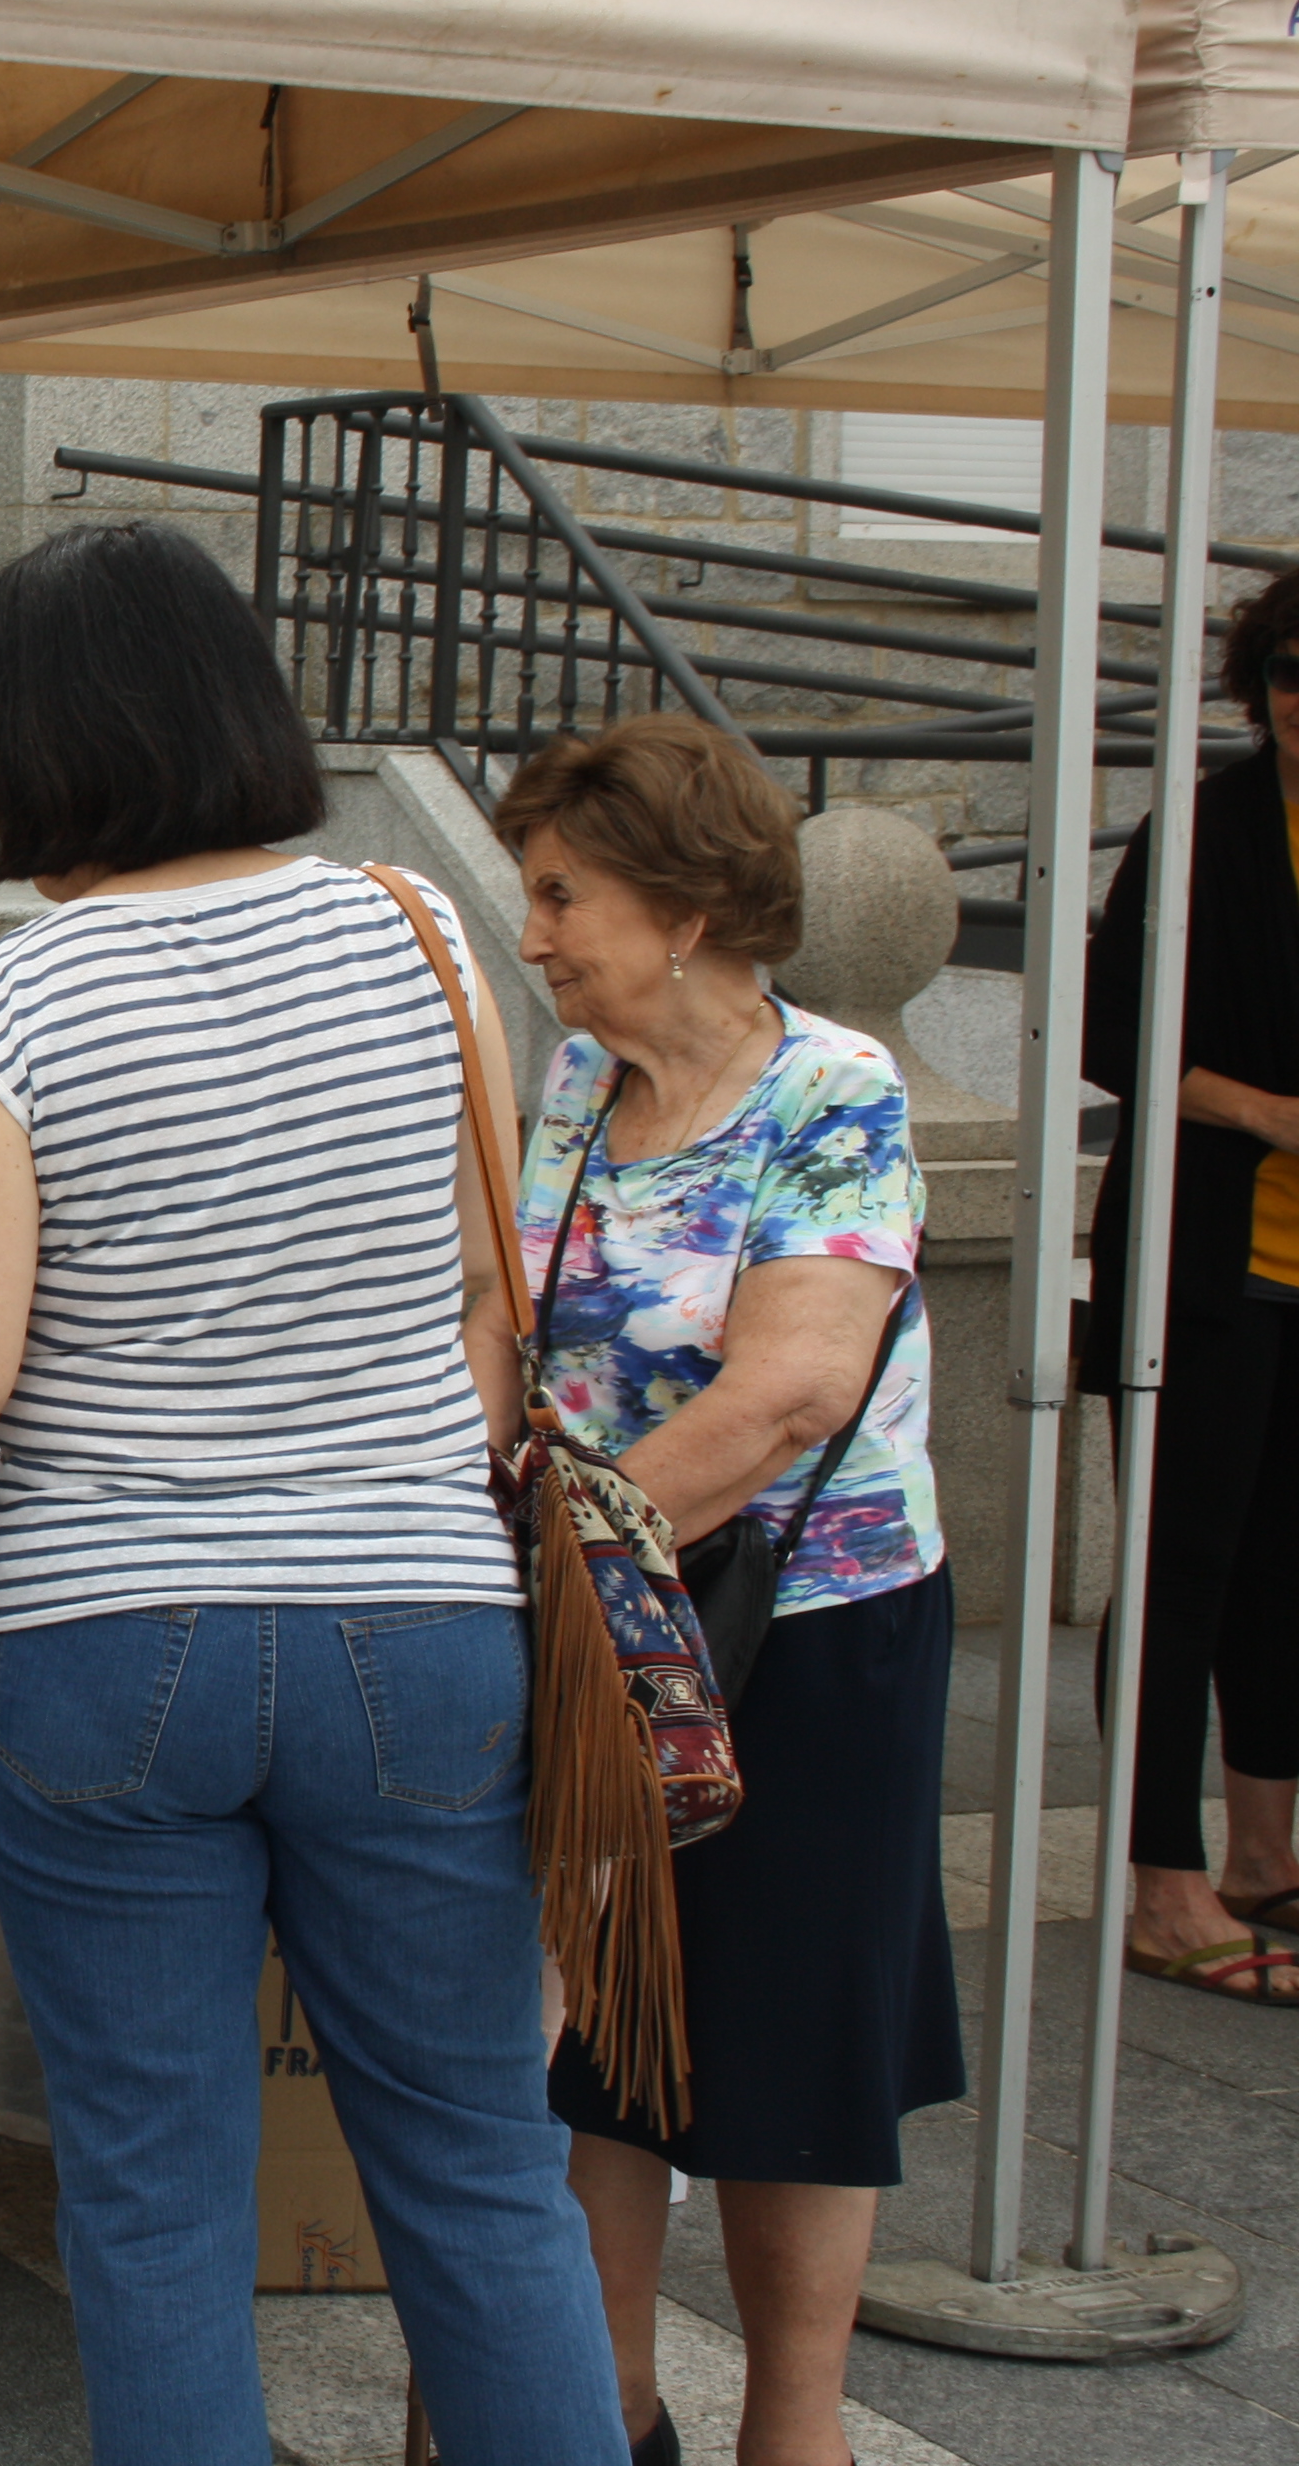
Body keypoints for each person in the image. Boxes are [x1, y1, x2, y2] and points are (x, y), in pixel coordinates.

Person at [0, 521, 623, 2466]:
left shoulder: (1, 1014)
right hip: (418, 1619)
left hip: (106, 1644)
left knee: (153, 2198)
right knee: (477, 2174)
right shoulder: (425, 937)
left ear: (19, 750)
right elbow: (474, 1296)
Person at [497, 713, 956, 2466]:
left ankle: (794, 2431)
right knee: (594, 2034)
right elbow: (507, 1318)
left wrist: (562, 1553)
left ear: (682, 906)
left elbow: (788, 1392)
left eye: (560, 894)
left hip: (804, 1630)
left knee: (788, 2047)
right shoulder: (574, 1076)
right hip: (607, 1622)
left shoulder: (830, 1086)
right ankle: (596, 2413)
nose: (532, 935)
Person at [1084, 565, 1299, 2005]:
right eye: (1287, 679)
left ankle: (1267, 1856)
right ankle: (1162, 1876)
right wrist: (1270, 1114)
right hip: (1211, 1267)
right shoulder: (1204, 831)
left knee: (1289, 1573)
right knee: (1184, 1566)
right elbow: (1114, 1034)